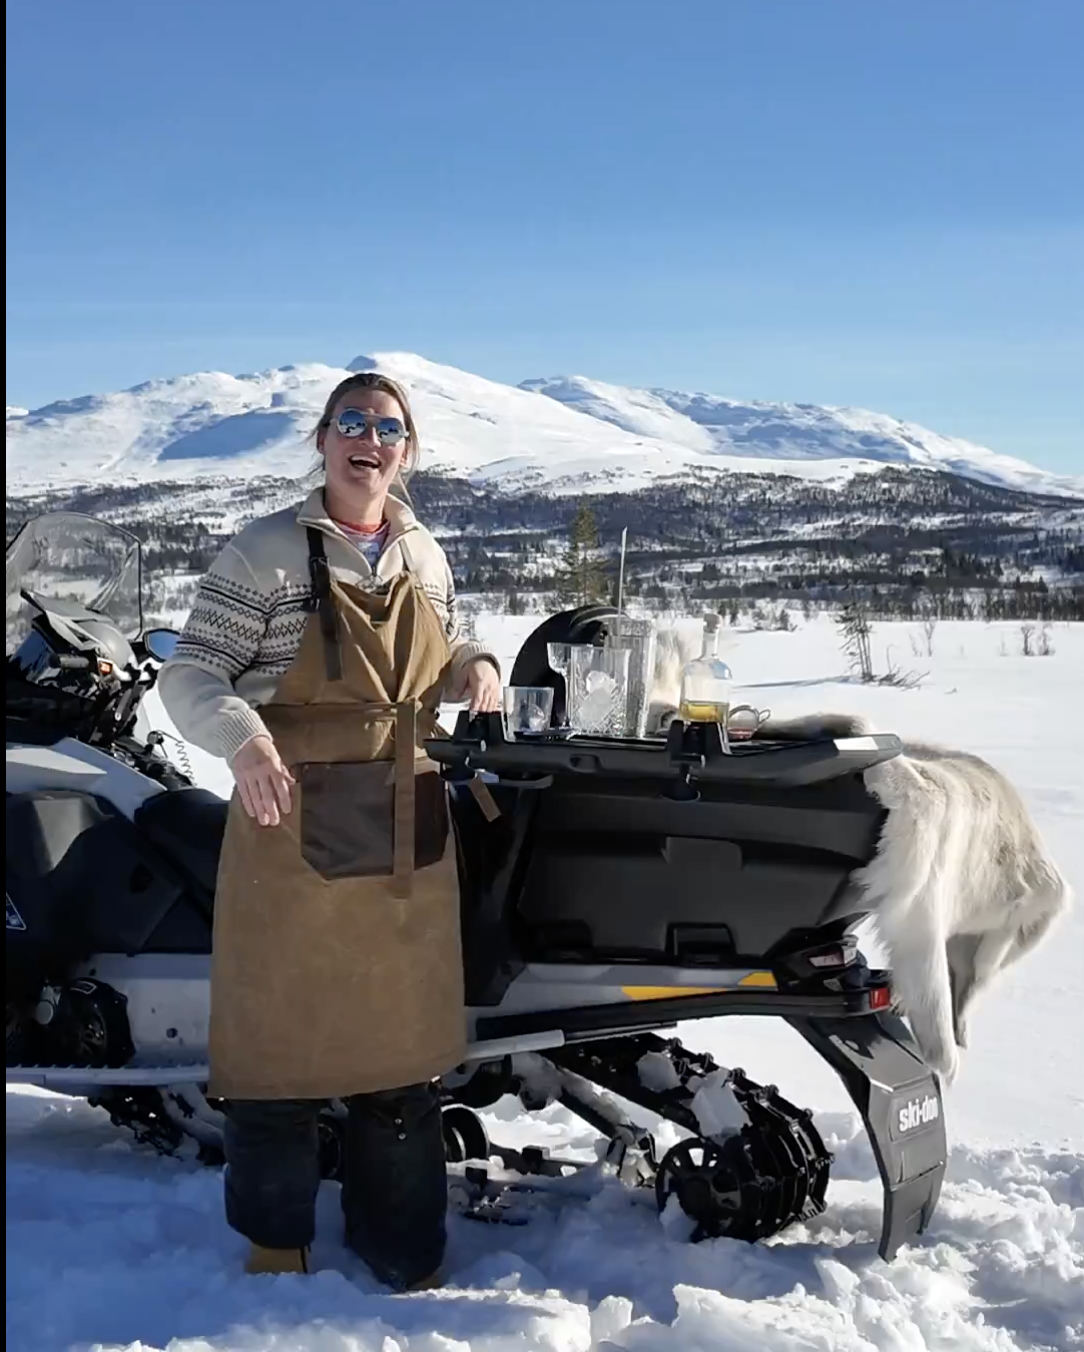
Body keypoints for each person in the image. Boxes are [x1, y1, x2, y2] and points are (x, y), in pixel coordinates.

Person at [158, 370, 501, 1287]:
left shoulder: (424, 555)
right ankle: (276, 1242)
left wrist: (475, 664)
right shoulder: (266, 552)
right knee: (279, 1052)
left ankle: (402, 1245)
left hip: (405, 829)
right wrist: (246, 744)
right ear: (322, 439)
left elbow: (442, 650)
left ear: (407, 449)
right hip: (289, 825)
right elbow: (191, 675)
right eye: (352, 422)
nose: (370, 440)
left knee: (402, 1058)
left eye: (388, 428)